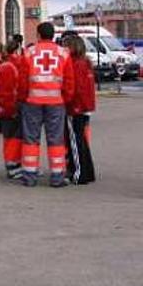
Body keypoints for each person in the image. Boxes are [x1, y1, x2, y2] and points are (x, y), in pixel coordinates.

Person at [17, 22, 75, 188]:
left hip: (32, 102)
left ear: (38, 35)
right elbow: (70, 81)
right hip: (56, 102)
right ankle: (57, 176)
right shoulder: (63, 53)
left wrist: (22, 98)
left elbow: (22, 81)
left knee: (30, 139)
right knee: (56, 139)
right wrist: (66, 98)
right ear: (54, 34)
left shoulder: (29, 53)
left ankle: (29, 175)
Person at [63, 35, 97, 184]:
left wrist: (67, 102)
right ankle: (87, 171)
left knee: (74, 141)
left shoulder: (74, 64)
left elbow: (74, 87)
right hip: (85, 106)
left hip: (75, 107)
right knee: (81, 140)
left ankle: (78, 173)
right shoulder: (86, 62)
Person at [0, 40, 24, 179]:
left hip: (6, 107)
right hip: (9, 108)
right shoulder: (10, 67)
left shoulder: (4, 65)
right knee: (12, 137)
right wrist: (12, 109)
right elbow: (8, 92)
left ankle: (15, 164)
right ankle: (12, 166)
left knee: (12, 137)